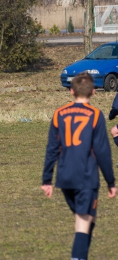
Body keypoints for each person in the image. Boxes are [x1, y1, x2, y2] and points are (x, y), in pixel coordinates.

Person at [41, 72, 117, 260]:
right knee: (83, 224)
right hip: (86, 178)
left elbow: (52, 148)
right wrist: (111, 182)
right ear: (93, 92)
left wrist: (46, 179)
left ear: (71, 91)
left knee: (86, 220)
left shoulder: (58, 114)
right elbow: (102, 151)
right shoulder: (95, 114)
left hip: (65, 178)